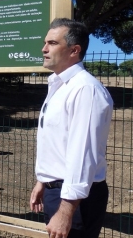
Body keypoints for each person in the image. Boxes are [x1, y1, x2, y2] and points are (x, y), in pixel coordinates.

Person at [30, 18, 114, 238]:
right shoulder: (59, 86)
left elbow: (82, 154)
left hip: (74, 199)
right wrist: (43, 181)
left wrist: (66, 212)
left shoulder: (85, 89)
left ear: (74, 50)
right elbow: (59, 143)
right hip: (58, 190)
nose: (44, 48)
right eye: (45, 42)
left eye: (52, 43)